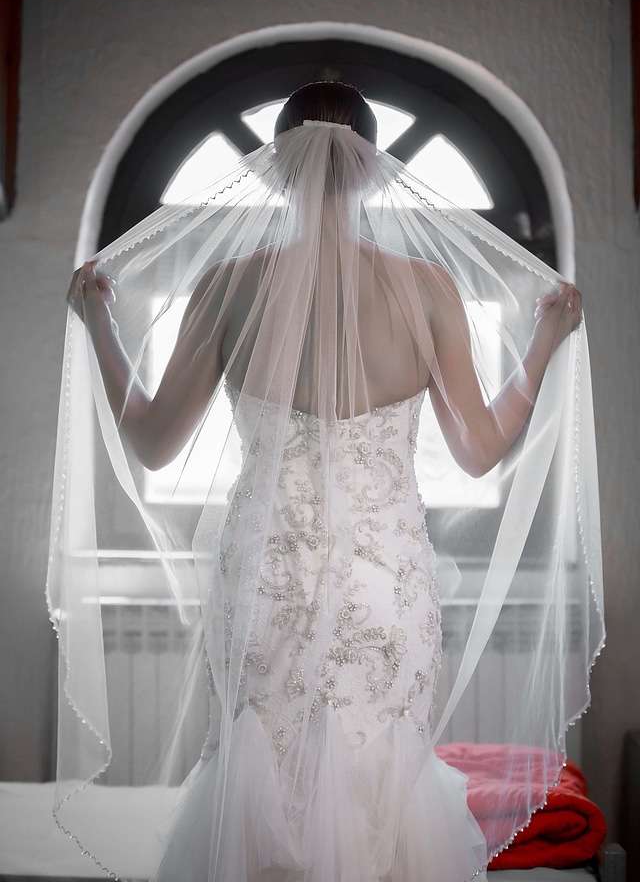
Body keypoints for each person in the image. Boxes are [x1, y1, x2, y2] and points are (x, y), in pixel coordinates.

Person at [54, 82, 603, 882]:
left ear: (276, 166)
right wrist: (545, 340)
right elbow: (481, 450)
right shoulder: (427, 288)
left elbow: (152, 441)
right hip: (385, 578)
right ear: (376, 171)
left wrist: (100, 323)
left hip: (267, 574)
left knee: (261, 759)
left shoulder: (228, 285)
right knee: (377, 761)